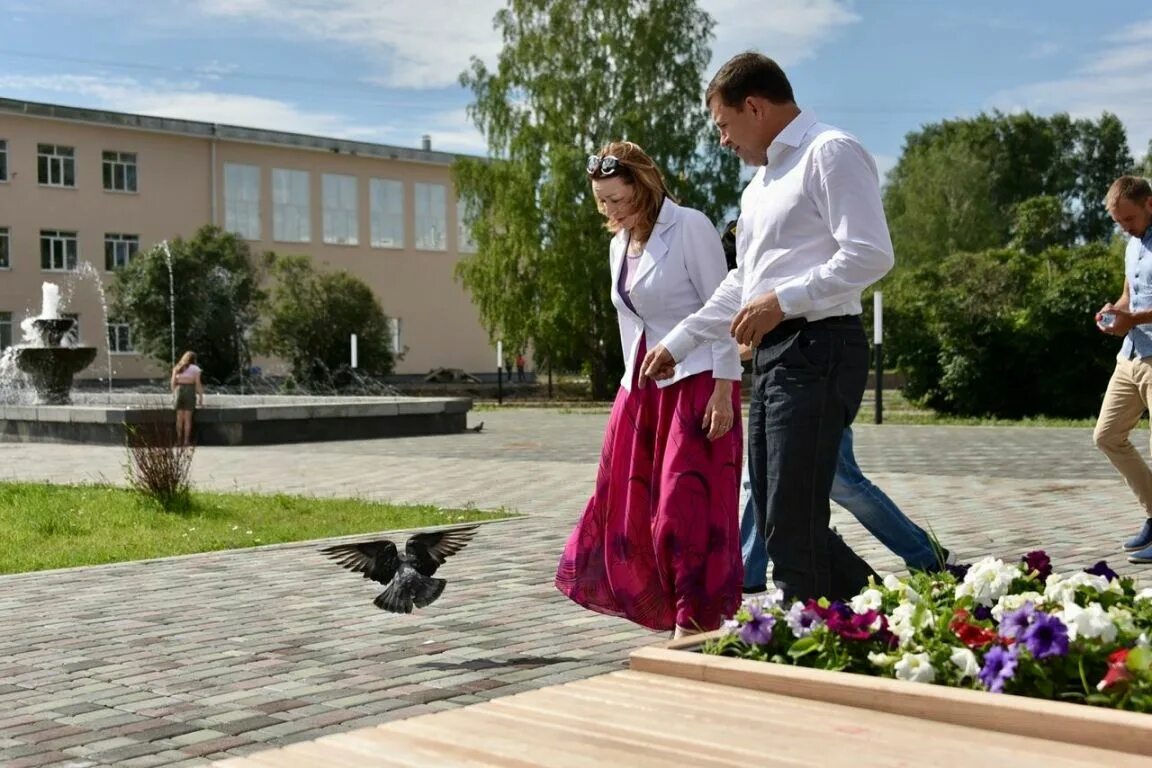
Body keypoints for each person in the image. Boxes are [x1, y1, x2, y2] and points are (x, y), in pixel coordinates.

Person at [640, 53, 895, 602]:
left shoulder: (830, 152)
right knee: (781, 517)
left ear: (754, 106)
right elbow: (742, 285)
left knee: (789, 516)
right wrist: (679, 342)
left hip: (821, 345)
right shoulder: (759, 188)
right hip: (780, 355)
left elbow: (871, 255)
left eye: (724, 126)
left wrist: (784, 300)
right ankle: (887, 614)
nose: (723, 141)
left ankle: (805, 643)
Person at [555, 141, 744, 638]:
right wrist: (628, 391)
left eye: (618, 199)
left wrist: (726, 390)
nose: (610, 211)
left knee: (683, 509)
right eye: (602, 201)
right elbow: (631, 321)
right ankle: (663, 606)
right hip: (639, 387)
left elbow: (723, 306)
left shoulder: (691, 227)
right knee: (626, 504)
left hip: (696, 382)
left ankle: (694, 620)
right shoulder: (618, 244)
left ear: (644, 185)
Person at [716, 221, 951, 587]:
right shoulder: (748, 275)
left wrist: (724, 352)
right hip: (792, 382)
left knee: (842, 486)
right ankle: (750, 568)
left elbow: (759, 337)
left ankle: (920, 556)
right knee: (764, 486)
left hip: (811, 379)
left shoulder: (772, 267)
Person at [1093, 175, 1152, 565]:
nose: (1124, 227)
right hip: (1131, 355)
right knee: (1107, 436)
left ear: (1149, 203)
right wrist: (1114, 312)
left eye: (1128, 219)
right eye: (1118, 222)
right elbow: (1130, 295)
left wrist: (1133, 318)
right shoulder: (1132, 245)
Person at [171, 351, 204, 446]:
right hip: (190, 390)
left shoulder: (177, 367)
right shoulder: (196, 369)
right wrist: (201, 397)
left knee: (179, 418)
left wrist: (174, 394)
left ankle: (178, 440)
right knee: (188, 418)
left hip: (179, 390)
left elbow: (173, 382)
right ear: (194, 359)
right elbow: (198, 384)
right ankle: (186, 441)